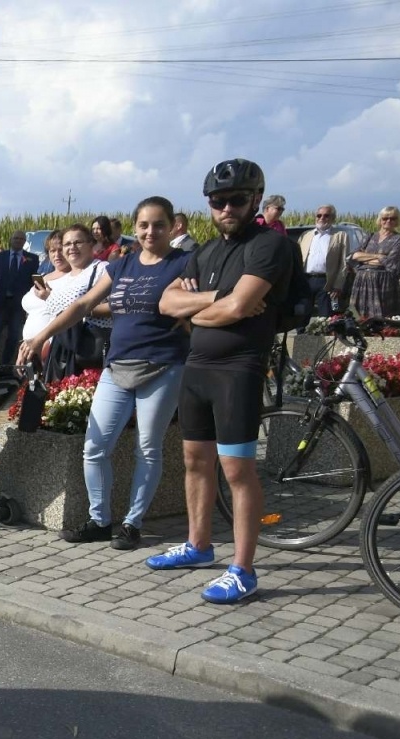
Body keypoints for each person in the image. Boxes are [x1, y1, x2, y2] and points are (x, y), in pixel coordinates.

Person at [155, 157, 296, 605]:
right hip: (197, 367)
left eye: (236, 200)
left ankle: (243, 569)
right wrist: (217, 299)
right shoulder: (205, 251)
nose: (227, 208)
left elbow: (239, 309)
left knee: (237, 470)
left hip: (239, 369)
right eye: (218, 201)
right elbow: (165, 303)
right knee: (195, 462)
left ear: (255, 199)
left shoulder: (269, 246)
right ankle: (198, 545)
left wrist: (197, 308)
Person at [19, 197, 191, 551]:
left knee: (148, 448)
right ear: (135, 227)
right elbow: (83, 304)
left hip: (163, 366)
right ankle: (100, 520)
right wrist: (41, 337)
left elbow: (194, 306)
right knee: (95, 447)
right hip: (117, 365)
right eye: (143, 225)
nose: (150, 231)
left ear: (172, 226)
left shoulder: (185, 263)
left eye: (158, 224)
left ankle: (132, 523)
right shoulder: (122, 264)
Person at [21, 224, 108, 378]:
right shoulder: (68, 278)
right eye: (67, 244)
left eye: (78, 242)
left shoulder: (102, 269)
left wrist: (84, 311)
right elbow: (57, 316)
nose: (72, 247)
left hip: (88, 350)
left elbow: (118, 305)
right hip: (62, 352)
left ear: (91, 244)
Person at [0, 230, 39, 365]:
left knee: (14, 337)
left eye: (21, 239)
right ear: (11, 240)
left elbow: (34, 283)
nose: (18, 241)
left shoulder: (32, 259)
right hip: (0, 303)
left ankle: (6, 364)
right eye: (16, 238)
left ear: (24, 241)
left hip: (19, 306)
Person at [350, 206, 400, 321]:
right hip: (362, 280)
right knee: (358, 315)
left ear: (397, 221)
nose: (388, 221)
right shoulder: (370, 236)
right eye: (385, 218)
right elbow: (355, 256)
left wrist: (365, 258)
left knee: (381, 316)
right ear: (380, 220)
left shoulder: (398, 238)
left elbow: (391, 262)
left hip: (382, 282)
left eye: (393, 218)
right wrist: (379, 256)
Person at [298, 204, 350, 321]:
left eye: (326, 215)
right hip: (306, 279)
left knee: (325, 316)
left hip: (326, 281)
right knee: (302, 314)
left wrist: (338, 286)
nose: (322, 218)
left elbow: (343, 263)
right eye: (319, 215)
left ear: (333, 218)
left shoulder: (340, 236)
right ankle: (300, 332)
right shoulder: (306, 235)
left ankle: (324, 332)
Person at [21, 229, 70, 344]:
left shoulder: (74, 278)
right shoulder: (44, 277)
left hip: (50, 346)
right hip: (29, 346)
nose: (57, 255)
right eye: (52, 250)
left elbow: (69, 314)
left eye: (60, 250)